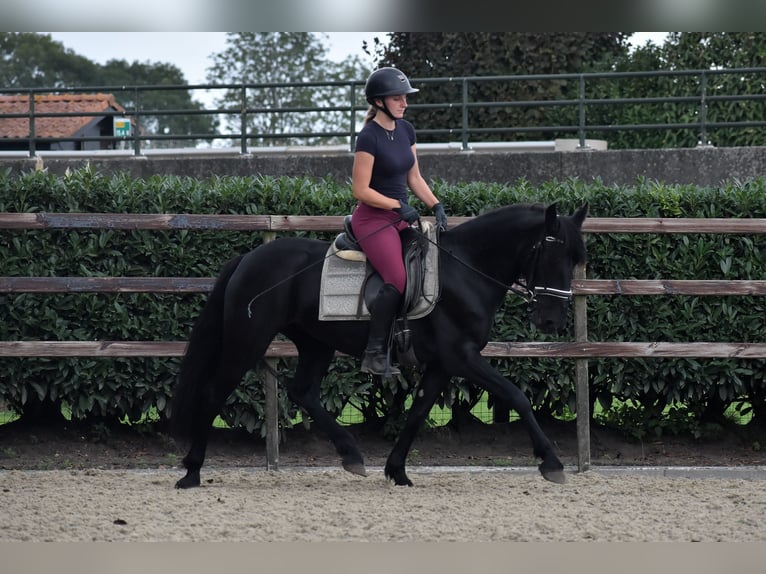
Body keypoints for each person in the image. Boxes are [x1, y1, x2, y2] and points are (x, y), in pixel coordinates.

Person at [350, 66, 449, 377]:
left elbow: (414, 177)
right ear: (379, 102)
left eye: (405, 97)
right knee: (397, 277)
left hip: (400, 218)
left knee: (429, 266)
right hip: (373, 220)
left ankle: (411, 340)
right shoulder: (368, 136)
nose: (404, 103)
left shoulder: (406, 130)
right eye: (398, 98)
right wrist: (397, 205)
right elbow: (360, 189)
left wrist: (435, 204)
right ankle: (375, 352)